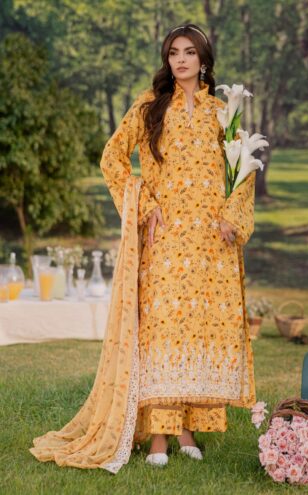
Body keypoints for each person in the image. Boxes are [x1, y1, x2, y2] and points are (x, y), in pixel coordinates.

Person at [30, 23, 257, 471]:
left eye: (190, 52)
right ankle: (158, 435)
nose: (181, 60)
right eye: (174, 53)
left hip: (212, 240)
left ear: (204, 59)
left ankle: (188, 430)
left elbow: (243, 169)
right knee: (164, 330)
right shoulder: (150, 107)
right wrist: (143, 205)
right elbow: (112, 157)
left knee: (200, 327)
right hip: (167, 238)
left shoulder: (222, 113)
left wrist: (233, 217)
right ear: (166, 59)